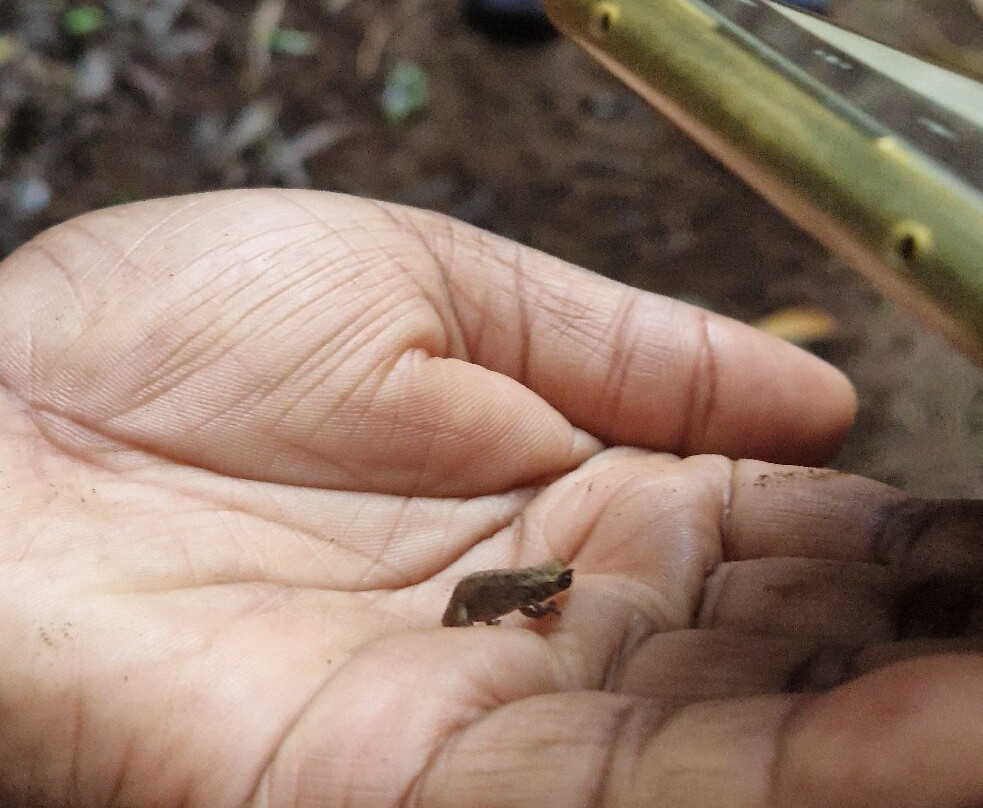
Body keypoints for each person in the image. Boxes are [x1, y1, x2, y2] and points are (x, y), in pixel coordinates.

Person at [0, 189, 978, 807]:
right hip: (471, 599)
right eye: (554, 578)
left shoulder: (537, 579)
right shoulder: (510, 587)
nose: (559, 584)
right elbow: (496, 601)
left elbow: (533, 595)